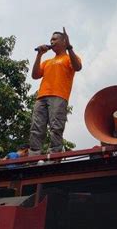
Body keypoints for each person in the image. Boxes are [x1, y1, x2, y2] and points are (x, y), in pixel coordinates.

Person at [29, 27, 82, 156]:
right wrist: (39, 54)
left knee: (56, 127)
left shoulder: (69, 58)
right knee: (36, 127)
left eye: (54, 39)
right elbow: (35, 75)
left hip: (59, 96)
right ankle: (34, 155)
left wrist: (70, 48)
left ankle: (54, 154)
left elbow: (78, 67)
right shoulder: (47, 61)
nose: (51, 42)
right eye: (50, 40)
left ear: (64, 42)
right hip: (41, 96)